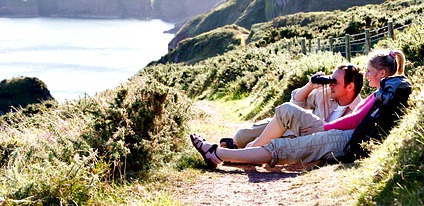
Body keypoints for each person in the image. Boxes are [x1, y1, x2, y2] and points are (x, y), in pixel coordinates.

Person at [191, 49, 411, 168]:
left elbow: (354, 121)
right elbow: (300, 101)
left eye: (370, 71)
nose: (368, 74)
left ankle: (220, 154)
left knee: (281, 148)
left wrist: (325, 129)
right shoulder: (381, 92)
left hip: (340, 136)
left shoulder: (379, 94)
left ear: (382, 74)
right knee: (286, 110)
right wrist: (312, 85)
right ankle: (236, 153)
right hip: (337, 133)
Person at [222, 63, 364, 149]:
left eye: (335, 82)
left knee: (255, 145)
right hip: (289, 126)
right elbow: (296, 104)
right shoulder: (326, 94)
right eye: (330, 80)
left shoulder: (358, 111)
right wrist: (310, 85)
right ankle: (237, 145)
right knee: (241, 135)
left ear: (350, 86)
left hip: (303, 139)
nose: (330, 85)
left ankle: (240, 151)